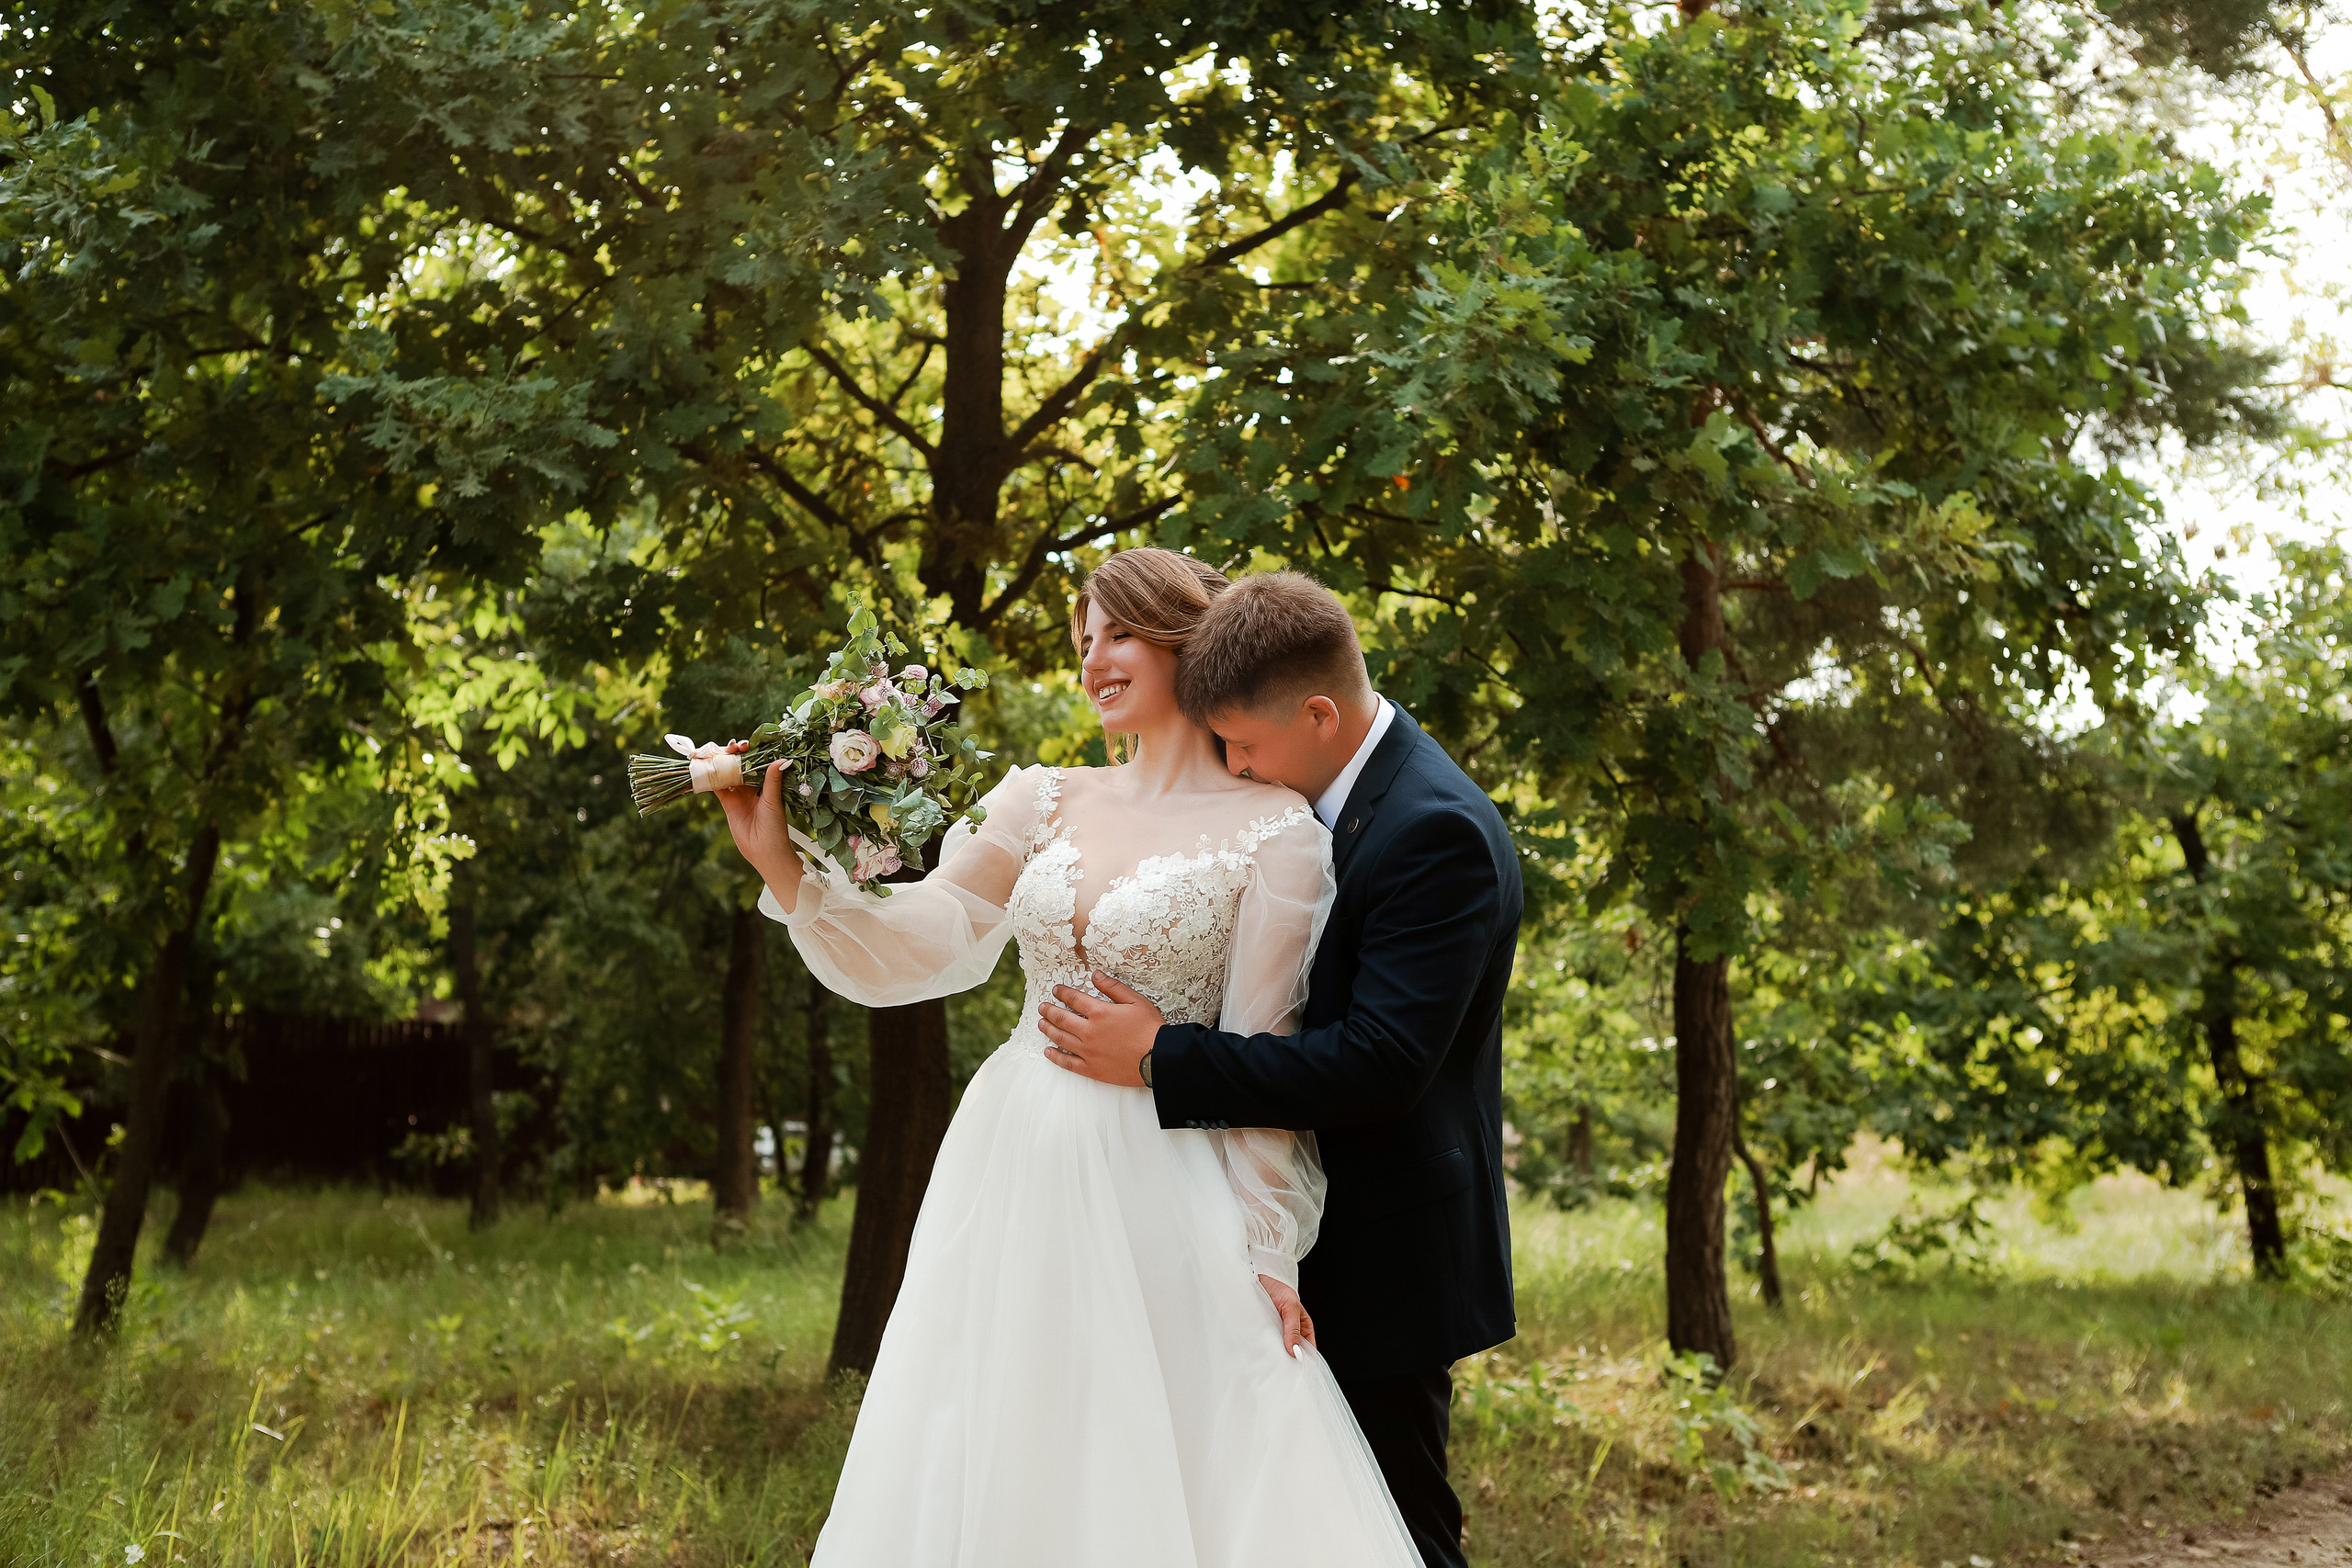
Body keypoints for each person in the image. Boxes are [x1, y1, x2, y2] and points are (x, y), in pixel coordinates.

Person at [710, 548, 1423, 1566]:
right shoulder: (1038, 797)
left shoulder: (1277, 833)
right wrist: (783, 866)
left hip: (1161, 1175)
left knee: (1160, 1448)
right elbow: (929, 938)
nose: (1094, 659)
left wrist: (1270, 1247)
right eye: (1084, 639)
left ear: (1185, 637)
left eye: (1117, 633)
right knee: (994, 1431)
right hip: (1011, 1160)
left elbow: (1267, 1046)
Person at [1038, 571, 1523, 1568]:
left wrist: (1160, 1056)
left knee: (1390, 1526)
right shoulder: (1332, 789)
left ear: (1317, 712)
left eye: (1248, 749)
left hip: (1380, 1243)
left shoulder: (1435, 830)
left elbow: (1382, 1063)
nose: (1240, 769)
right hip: (1250, 1214)